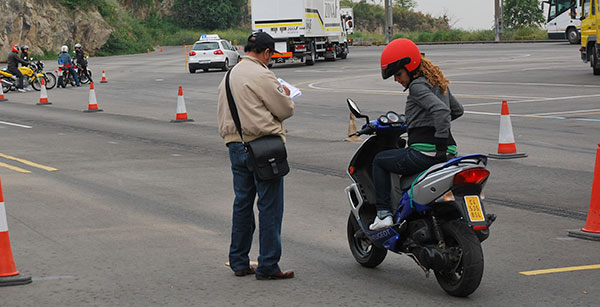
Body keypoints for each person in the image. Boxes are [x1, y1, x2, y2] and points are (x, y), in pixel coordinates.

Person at [217, 32, 295, 280]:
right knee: (270, 207)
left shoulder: (229, 75)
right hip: (262, 147)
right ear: (266, 53)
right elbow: (284, 109)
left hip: (235, 146)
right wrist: (284, 93)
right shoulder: (262, 74)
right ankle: (268, 264)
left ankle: (239, 261)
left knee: (242, 205)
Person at [370, 38, 464, 231]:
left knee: (379, 160)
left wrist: (437, 144)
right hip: (451, 150)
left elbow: (441, 111)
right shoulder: (437, 82)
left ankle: (384, 214)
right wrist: (429, 126)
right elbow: (457, 110)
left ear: (410, 67)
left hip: (426, 153)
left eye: (398, 74)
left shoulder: (416, 86)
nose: (397, 79)